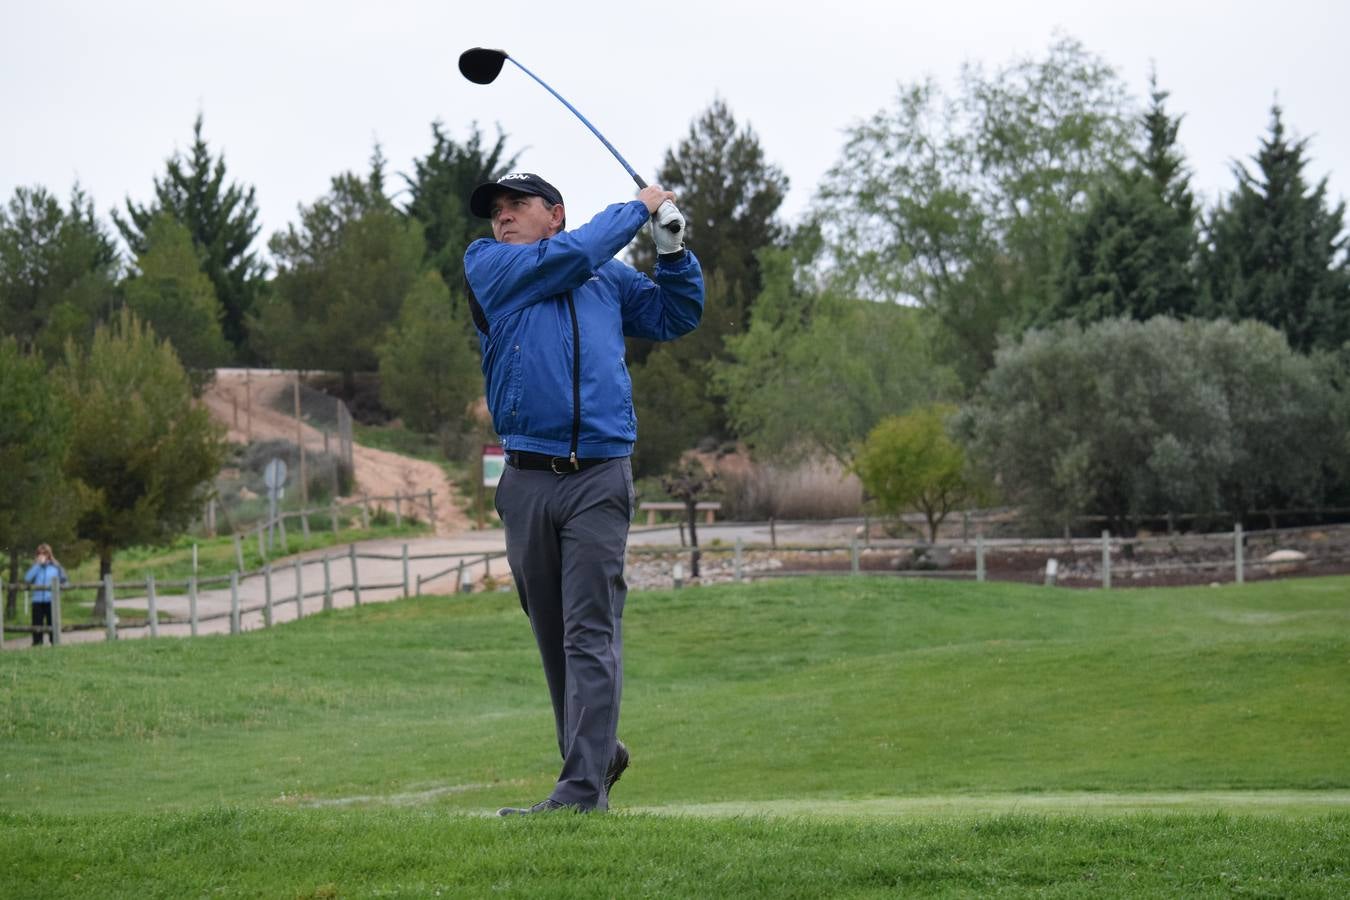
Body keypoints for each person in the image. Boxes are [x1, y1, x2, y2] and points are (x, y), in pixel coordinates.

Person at [464, 173, 704, 814]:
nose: (503, 218)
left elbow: (675, 315)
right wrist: (636, 209)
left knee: (588, 631)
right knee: (552, 634)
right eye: (496, 210)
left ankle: (579, 792)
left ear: (556, 213)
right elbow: (571, 258)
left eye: (517, 205)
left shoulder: (606, 277)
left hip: (599, 474)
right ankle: (596, 755)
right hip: (527, 480)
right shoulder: (490, 266)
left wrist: (673, 250)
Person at [24, 543, 69, 647]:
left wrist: (60, 590)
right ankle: (37, 644)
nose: (42, 555)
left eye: (44, 553)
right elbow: (27, 579)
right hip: (37, 601)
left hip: (51, 600)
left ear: (49, 554)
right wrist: (37, 565)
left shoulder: (56, 567)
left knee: (52, 623)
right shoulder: (35, 567)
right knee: (37, 624)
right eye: (39, 553)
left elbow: (65, 581)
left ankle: (54, 643)